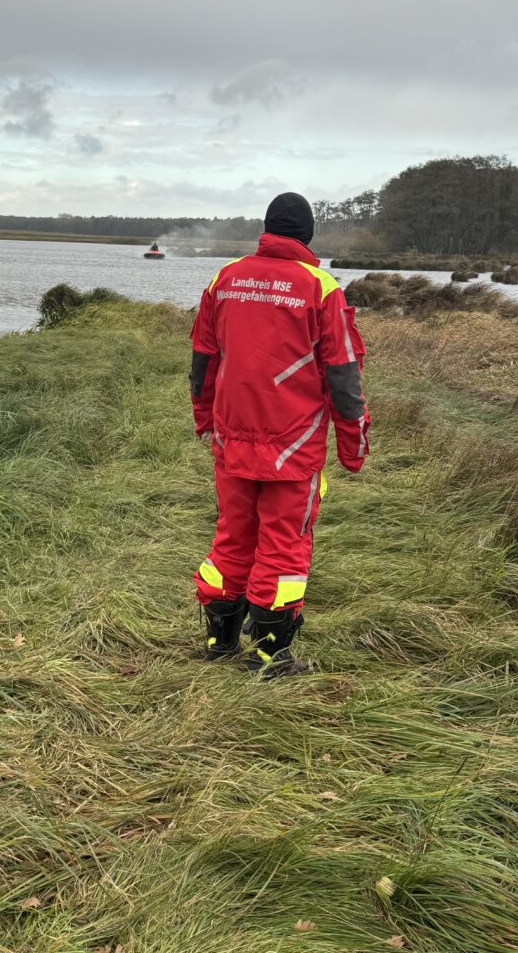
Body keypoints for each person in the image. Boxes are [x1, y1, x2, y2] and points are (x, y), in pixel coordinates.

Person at [190, 192, 370, 677]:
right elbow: (342, 374)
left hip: (232, 439)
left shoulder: (224, 279)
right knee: (284, 544)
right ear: (308, 234)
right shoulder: (321, 288)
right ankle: (271, 657)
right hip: (293, 445)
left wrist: (203, 417)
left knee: (232, 535)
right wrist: (353, 444)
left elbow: (203, 358)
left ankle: (219, 641)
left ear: (265, 229)